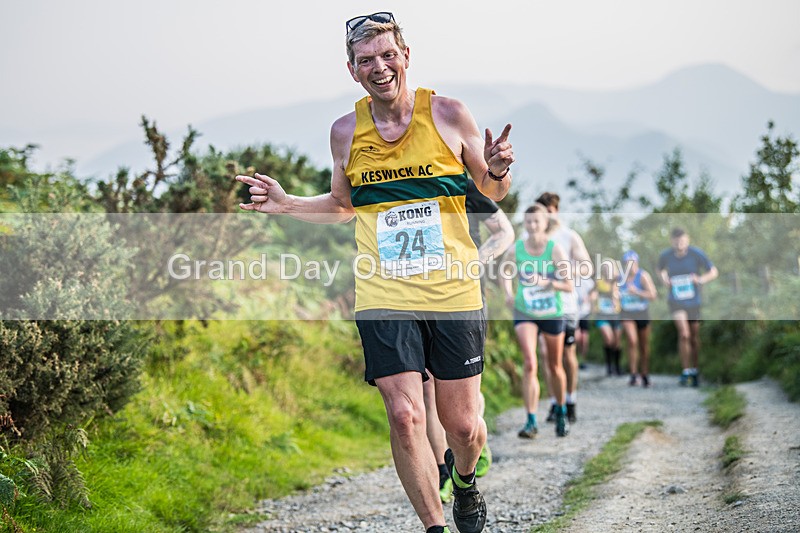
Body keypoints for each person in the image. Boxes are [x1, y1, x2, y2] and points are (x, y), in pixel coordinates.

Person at [236, 13, 514, 533]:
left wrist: (496, 169)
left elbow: (492, 191)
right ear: (352, 70)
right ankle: (434, 528)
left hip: (452, 289)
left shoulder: (449, 114)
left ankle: (467, 481)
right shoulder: (345, 131)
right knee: (406, 415)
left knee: (463, 426)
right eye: (367, 60)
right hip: (383, 290)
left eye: (388, 55)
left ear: (406, 56)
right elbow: (345, 205)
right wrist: (288, 202)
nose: (379, 67)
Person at [426, 180, 514, 502]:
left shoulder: (459, 180)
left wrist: (474, 261)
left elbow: (504, 232)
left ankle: (474, 439)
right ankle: (444, 469)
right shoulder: (400, 176)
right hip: (417, 296)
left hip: (464, 296)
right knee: (428, 386)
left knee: (463, 394)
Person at [501, 204, 573, 438]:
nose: (532, 226)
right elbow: (504, 270)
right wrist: (508, 294)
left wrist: (546, 282)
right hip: (525, 311)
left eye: (536, 222)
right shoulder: (517, 248)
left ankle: (561, 410)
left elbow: (569, 285)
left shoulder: (555, 250)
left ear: (545, 224)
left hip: (552, 312)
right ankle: (531, 420)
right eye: (528, 222)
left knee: (554, 365)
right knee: (531, 363)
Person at [535, 192, 592, 424]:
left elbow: (587, 267)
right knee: (546, 354)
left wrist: (564, 271)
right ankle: (554, 403)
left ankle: (571, 400)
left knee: (567, 354)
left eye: (548, 211)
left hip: (565, 304)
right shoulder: (531, 237)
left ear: (555, 210)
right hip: (538, 304)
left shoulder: (569, 236)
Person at [657, 228, 718, 387]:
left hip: (693, 301)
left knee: (693, 336)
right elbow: (660, 269)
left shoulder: (696, 254)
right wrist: (664, 280)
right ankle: (685, 370)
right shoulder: (666, 256)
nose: (679, 243)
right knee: (683, 334)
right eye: (676, 240)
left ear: (687, 240)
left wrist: (700, 279)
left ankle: (695, 369)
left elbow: (713, 271)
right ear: (672, 241)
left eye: (682, 240)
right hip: (675, 301)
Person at [618, 250, 657, 387]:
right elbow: (614, 293)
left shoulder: (643, 276)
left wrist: (638, 292)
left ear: (637, 263)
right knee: (632, 341)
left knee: (644, 345)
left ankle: (645, 373)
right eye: (628, 264)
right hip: (627, 313)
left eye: (633, 263)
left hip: (641, 312)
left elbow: (653, 295)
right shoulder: (620, 278)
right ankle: (633, 374)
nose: (631, 267)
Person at [592, 260, 623, 376]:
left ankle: (617, 366)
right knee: (609, 339)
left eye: (609, 268)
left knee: (617, 342)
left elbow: (620, 294)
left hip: (615, 315)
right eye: (604, 268)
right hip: (602, 315)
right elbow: (593, 293)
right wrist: (593, 302)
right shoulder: (599, 282)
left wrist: (616, 294)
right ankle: (609, 366)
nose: (606, 270)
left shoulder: (618, 281)